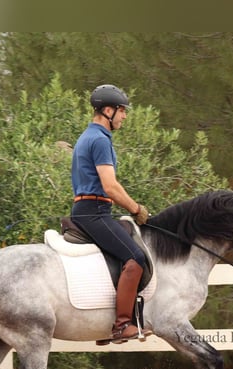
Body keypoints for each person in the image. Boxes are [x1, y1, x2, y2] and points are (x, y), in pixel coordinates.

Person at [71, 84, 150, 343]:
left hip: (88, 209)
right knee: (136, 258)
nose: (124, 116)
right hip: (94, 211)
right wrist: (136, 208)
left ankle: (104, 323)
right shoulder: (100, 140)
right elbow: (110, 186)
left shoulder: (88, 137)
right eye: (122, 111)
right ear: (108, 111)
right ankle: (121, 325)